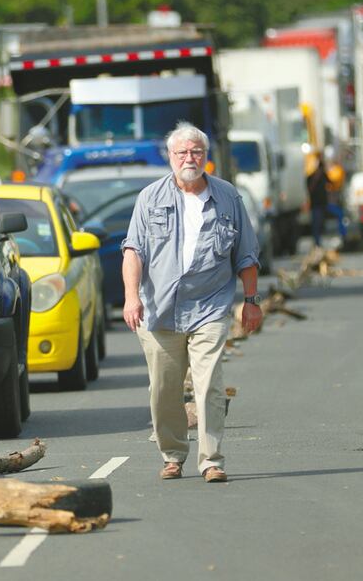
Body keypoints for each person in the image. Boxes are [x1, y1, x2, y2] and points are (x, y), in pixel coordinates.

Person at [122, 122, 263, 484]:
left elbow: (246, 254)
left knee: (209, 384)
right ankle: (172, 454)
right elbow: (133, 251)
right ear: (170, 157)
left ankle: (211, 460)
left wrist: (251, 300)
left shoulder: (228, 197)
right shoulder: (150, 198)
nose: (190, 158)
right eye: (182, 152)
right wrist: (131, 297)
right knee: (164, 390)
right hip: (159, 309)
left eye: (196, 152)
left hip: (210, 307)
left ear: (206, 156)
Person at [306, 152, 330, 247]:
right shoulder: (311, 177)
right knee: (316, 224)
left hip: (322, 204)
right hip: (316, 205)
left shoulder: (323, 175)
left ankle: (318, 242)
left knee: (320, 224)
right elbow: (309, 189)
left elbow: (331, 182)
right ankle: (317, 243)